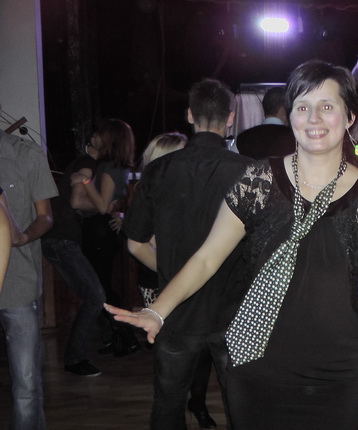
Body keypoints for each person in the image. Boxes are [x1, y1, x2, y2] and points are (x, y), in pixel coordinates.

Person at [108, 60, 358, 429]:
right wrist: (157, 311)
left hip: (334, 373)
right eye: (302, 107)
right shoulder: (258, 181)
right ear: (290, 117)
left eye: (327, 106)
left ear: (350, 116)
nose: (313, 118)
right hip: (257, 367)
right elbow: (207, 258)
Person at [119, 79, 253, 428]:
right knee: (243, 409)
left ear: (190, 115)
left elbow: (135, 244)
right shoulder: (250, 172)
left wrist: (175, 277)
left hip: (176, 311)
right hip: (232, 311)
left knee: (168, 406)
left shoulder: (158, 170)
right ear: (230, 118)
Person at [135, 131, 217, 429]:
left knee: (202, 346)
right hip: (160, 281)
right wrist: (174, 275)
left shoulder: (193, 189)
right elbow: (138, 244)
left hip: (193, 277)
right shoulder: (152, 191)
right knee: (173, 355)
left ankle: (198, 401)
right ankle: (178, 407)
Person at [0, 130, 58, 430]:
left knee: (26, 385)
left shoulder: (26, 154)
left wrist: (24, 237)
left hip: (17, 282)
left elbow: (45, 216)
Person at [70, 119, 139, 358]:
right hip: (101, 231)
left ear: (110, 138)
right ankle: (121, 336)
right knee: (101, 286)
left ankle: (127, 336)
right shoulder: (114, 165)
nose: (94, 138)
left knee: (101, 288)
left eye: (99, 134)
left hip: (100, 231)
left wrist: (84, 181)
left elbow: (101, 206)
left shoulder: (110, 167)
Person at [41, 135, 106, 376]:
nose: (95, 136)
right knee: (95, 296)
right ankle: (74, 359)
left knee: (94, 296)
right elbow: (77, 201)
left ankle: (79, 355)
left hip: (59, 237)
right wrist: (103, 206)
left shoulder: (84, 162)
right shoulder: (88, 164)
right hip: (62, 239)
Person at [235, 87, 296, 160]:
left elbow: (232, 162)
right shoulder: (295, 138)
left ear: (264, 109)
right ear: (283, 110)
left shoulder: (242, 138)